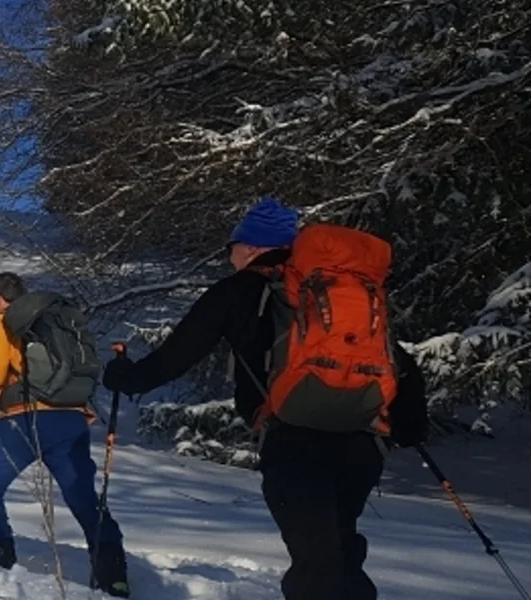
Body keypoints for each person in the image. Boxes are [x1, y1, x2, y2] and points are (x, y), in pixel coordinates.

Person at [101, 196, 428, 600]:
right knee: (337, 551)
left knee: (317, 565)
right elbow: (396, 358)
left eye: (232, 249)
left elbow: (179, 354)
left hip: (293, 439)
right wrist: (410, 422)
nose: (229, 258)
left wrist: (125, 377)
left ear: (252, 248)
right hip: (361, 442)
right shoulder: (335, 293)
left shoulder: (242, 290)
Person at [0, 272, 128, 596]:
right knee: (83, 499)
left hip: (24, 421)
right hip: (71, 418)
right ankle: (114, 574)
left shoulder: (0, 323)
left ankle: (0, 567)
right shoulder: (49, 324)